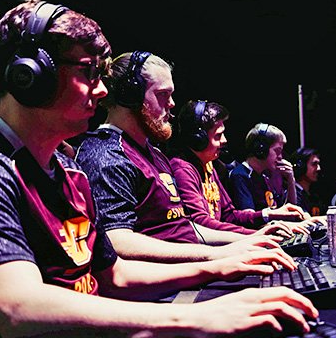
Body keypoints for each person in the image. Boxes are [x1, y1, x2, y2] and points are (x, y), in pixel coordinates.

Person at [0, 0, 317, 337]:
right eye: (88, 72)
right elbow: (17, 307)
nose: (103, 89)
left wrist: (220, 266)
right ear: (30, 77)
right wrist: (193, 316)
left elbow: (114, 275)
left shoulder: (70, 174)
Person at [75, 51, 298, 260]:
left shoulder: (156, 156)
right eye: (163, 95)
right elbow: (116, 240)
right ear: (130, 95)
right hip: (165, 293)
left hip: (189, 271)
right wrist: (216, 257)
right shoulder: (105, 154)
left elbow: (186, 228)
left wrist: (254, 238)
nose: (172, 104)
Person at [168, 99, 311, 235]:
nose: (224, 140)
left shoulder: (210, 166)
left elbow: (229, 216)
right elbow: (201, 224)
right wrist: (256, 234)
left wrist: (268, 214)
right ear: (198, 139)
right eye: (218, 136)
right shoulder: (183, 169)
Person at [229, 122, 299, 212]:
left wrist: (291, 180)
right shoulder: (240, 176)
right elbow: (250, 219)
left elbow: (289, 211)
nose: (281, 156)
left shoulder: (264, 176)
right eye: (277, 151)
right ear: (261, 150)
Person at [289, 146, 325, 216]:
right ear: (301, 167)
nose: (319, 168)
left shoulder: (314, 196)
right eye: (314, 164)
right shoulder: (293, 195)